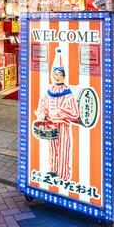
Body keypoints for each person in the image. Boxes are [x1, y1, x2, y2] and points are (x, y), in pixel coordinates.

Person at [35, 48, 79, 181]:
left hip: (63, 127)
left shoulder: (67, 92)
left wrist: (58, 113)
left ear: (64, 76)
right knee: (52, 148)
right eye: (55, 74)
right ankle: (53, 171)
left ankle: (64, 175)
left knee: (64, 149)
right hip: (50, 126)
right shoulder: (49, 89)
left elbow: (74, 112)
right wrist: (42, 113)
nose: (57, 76)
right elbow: (43, 103)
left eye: (60, 74)